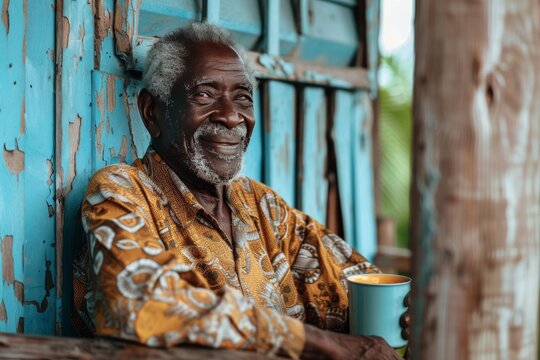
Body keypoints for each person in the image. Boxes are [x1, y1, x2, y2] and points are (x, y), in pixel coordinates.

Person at [74, 22, 407, 360]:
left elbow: (355, 285)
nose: (232, 117)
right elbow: (136, 302)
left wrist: (406, 313)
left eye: (243, 97)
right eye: (204, 95)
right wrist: (321, 344)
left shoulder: (263, 206)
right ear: (151, 112)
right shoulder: (122, 191)